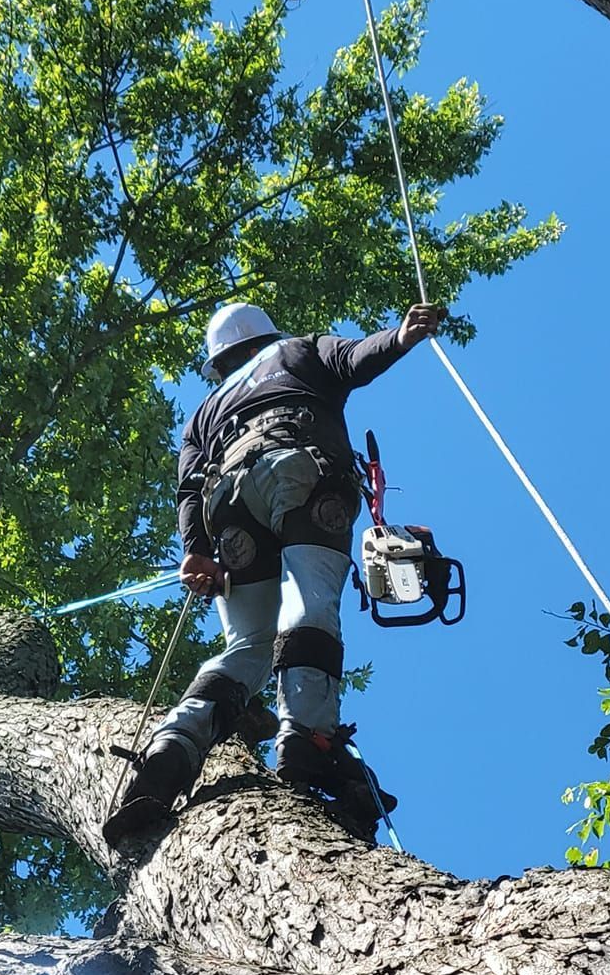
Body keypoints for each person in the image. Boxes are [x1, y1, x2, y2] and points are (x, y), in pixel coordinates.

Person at [102, 297, 444, 848]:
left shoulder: (207, 408)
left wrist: (195, 551)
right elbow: (355, 358)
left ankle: (175, 745)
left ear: (222, 357)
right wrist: (401, 336)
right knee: (309, 603)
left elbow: (189, 486)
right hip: (301, 469)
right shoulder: (300, 350)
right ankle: (309, 737)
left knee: (248, 645)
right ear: (264, 336)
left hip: (228, 507)